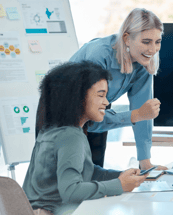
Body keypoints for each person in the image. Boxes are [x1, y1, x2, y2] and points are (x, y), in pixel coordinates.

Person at [23, 61, 148, 215]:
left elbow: (86, 170)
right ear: (78, 97)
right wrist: (119, 185)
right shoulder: (71, 137)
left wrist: (120, 176)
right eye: (101, 95)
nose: (106, 102)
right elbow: (71, 191)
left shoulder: (53, 130)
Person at [68, 8, 167, 171]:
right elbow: (89, 120)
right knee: (73, 180)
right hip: (66, 114)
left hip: (98, 109)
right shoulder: (99, 55)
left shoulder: (143, 63)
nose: (153, 49)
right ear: (127, 39)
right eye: (146, 41)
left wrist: (145, 161)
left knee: (95, 175)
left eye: (157, 42)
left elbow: (143, 113)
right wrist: (136, 115)